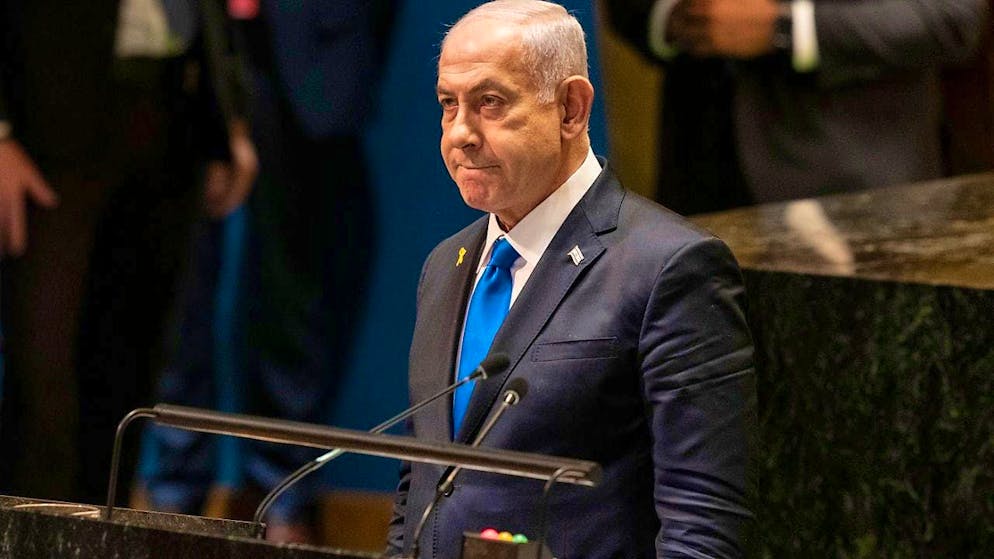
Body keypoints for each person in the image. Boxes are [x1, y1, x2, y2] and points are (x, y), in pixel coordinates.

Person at [385, 2, 756, 557]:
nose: (460, 133)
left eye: (489, 103)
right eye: (448, 105)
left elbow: (703, 527)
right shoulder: (445, 265)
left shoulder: (670, 268)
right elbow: (422, 487)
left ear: (571, 109)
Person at [139, 0, 394, 543]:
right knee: (174, 293)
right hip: (181, 48)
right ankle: (169, 503)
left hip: (306, 51)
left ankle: (281, 494)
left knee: (295, 300)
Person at [0, 0, 255, 505]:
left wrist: (230, 120)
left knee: (130, 376)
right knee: (45, 379)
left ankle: (99, 538)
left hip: (170, 111)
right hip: (46, 120)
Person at [604, 0, 989, 214]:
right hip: (697, 184)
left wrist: (788, 28)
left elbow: (952, 17)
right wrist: (676, 17)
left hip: (856, 195)